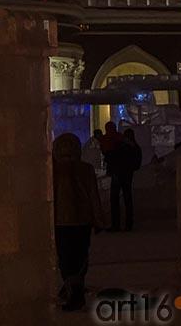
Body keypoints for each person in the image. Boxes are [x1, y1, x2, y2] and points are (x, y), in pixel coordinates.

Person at [53, 132, 106, 312]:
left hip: (61, 222)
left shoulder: (53, 171)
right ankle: (74, 288)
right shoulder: (86, 169)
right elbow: (93, 196)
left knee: (66, 258)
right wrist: (98, 220)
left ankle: (73, 291)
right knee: (80, 257)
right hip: (82, 222)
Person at [107, 125, 142, 231]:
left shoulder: (122, 146)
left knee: (118, 199)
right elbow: (136, 163)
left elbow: (112, 158)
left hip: (120, 175)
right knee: (126, 199)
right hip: (125, 175)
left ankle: (118, 224)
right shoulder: (132, 147)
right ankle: (126, 224)